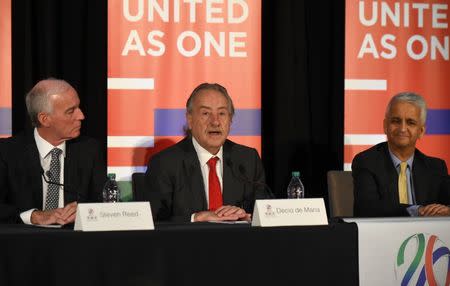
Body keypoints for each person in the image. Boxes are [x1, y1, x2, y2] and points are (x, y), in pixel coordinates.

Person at [144, 83, 271, 222]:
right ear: (190, 120)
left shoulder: (247, 159)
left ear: (231, 120)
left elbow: (267, 212)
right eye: (206, 113)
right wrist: (196, 218)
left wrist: (247, 217)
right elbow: (152, 221)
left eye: (222, 113)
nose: (215, 122)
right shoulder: (165, 163)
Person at [0, 79, 106, 225]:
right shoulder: (7, 152)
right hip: (23, 241)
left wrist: (84, 211)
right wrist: (34, 216)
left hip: (75, 241)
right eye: (71, 111)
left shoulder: (89, 149)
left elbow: (104, 203)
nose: (81, 116)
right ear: (45, 119)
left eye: (79, 108)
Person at [352, 92, 450, 217]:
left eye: (410, 122)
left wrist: (447, 211)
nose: (402, 128)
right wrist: (417, 210)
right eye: (396, 121)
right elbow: (369, 208)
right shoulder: (366, 162)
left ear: (421, 131)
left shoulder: (436, 167)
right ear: (385, 126)